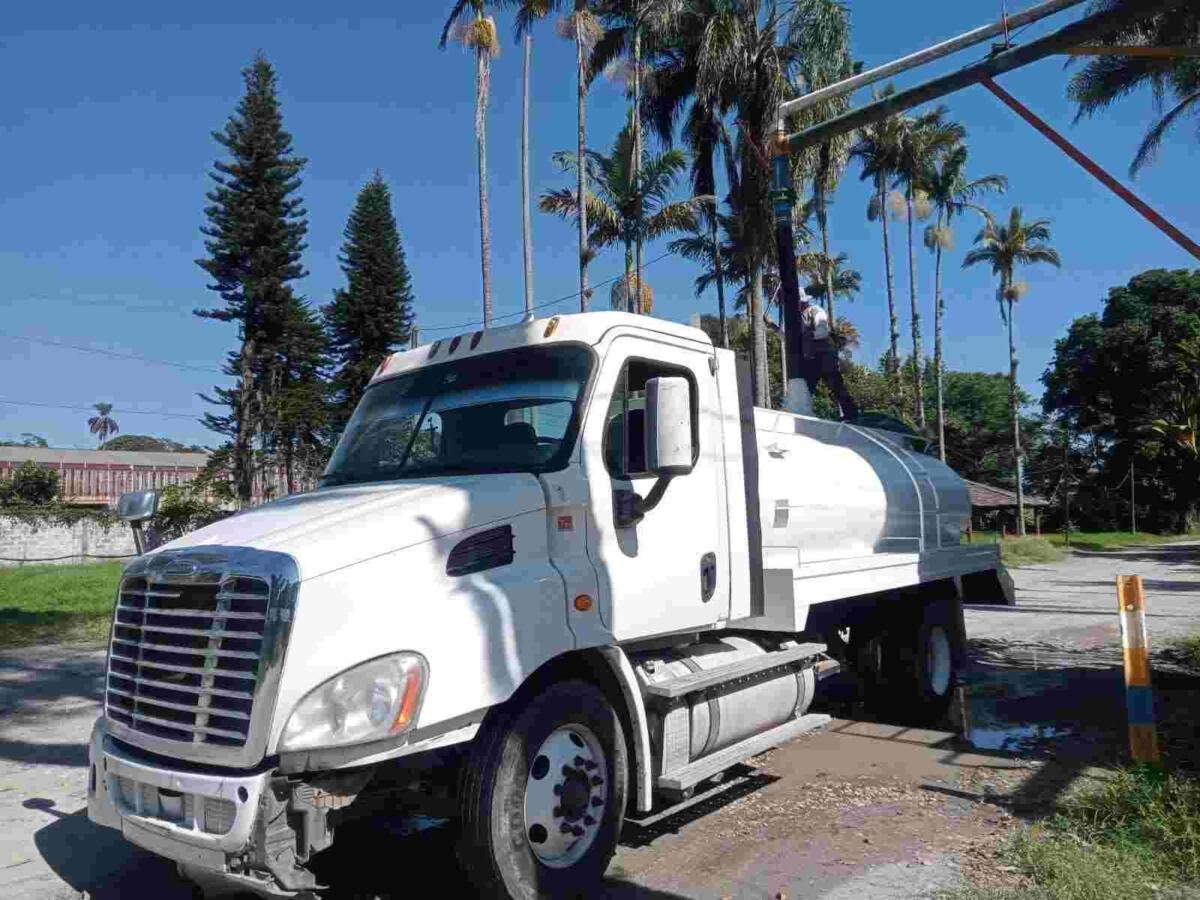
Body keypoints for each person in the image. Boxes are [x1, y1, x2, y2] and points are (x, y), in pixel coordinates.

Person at [798, 292, 859, 421]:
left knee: (835, 384)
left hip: (825, 355)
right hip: (811, 358)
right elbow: (790, 339)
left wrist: (807, 336)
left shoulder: (816, 311)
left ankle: (852, 414)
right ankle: (802, 414)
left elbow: (823, 331)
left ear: (803, 302)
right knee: (806, 388)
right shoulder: (798, 318)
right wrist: (773, 327)